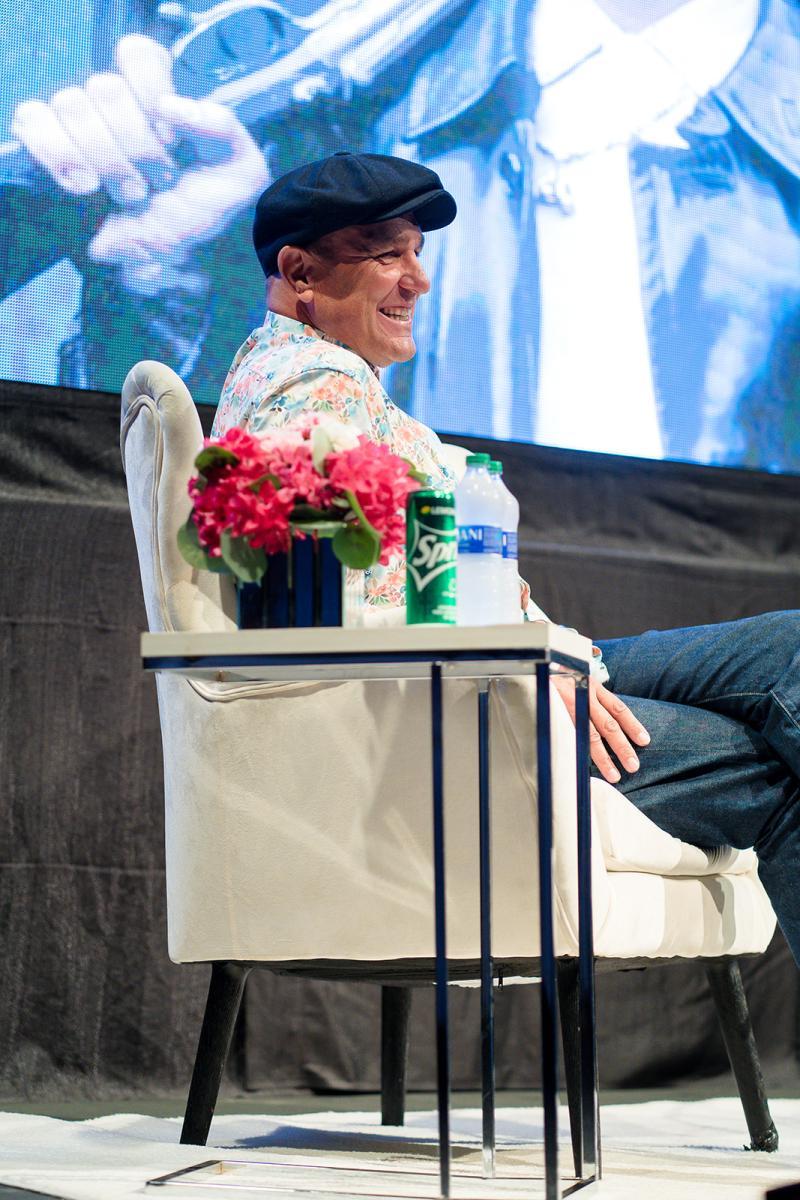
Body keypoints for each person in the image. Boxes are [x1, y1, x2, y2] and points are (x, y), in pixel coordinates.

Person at [212, 150, 800, 967]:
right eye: (386, 254)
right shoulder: (309, 387)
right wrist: (516, 664)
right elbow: (321, 611)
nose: (418, 280)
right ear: (300, 272)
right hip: (475, 712)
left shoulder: (327, 377)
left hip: (518, 672)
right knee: (779, 763)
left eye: (418, 252)